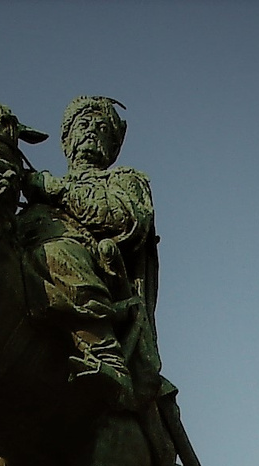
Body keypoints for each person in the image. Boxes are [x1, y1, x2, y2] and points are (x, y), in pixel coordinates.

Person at [21, 96, 163, 408]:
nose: (91, 132)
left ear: (113, 146)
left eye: (102, 129)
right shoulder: (39, 188)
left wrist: (56, 190)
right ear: (66, 139)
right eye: (83, 125)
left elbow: (124, 220)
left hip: (102, 275)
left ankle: (106, 355)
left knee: (56, 253)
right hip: (36, 272)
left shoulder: (125, 179)